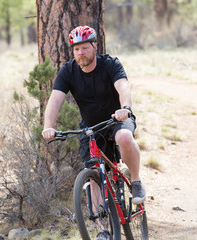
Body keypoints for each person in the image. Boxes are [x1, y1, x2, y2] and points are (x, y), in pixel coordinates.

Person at [41, 26, 145, 239]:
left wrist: (125, 109)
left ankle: (135, 182)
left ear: (94, 46)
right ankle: (103, 230)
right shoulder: (68, 71)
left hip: (117, 119)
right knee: (93, 175)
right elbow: (55, 100)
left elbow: (123, 87)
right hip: (90, 127)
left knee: (125, 137)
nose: (81, 53)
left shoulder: (110, 64)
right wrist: (48, 126)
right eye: (77, 49)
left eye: (85, 48)